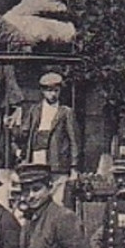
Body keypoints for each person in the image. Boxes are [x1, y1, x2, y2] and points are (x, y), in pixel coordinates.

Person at [12, 71, 81, 202]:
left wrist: (74, 167)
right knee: (37, 193)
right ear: (43, 92)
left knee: (57, 198)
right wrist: (14, 126)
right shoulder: (35, 110)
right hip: (37, 158)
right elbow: (24, 133)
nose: (52, 94)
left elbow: (74, 141)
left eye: (56, 90)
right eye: (49, 90)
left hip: (57, 161)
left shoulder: (65, 112)